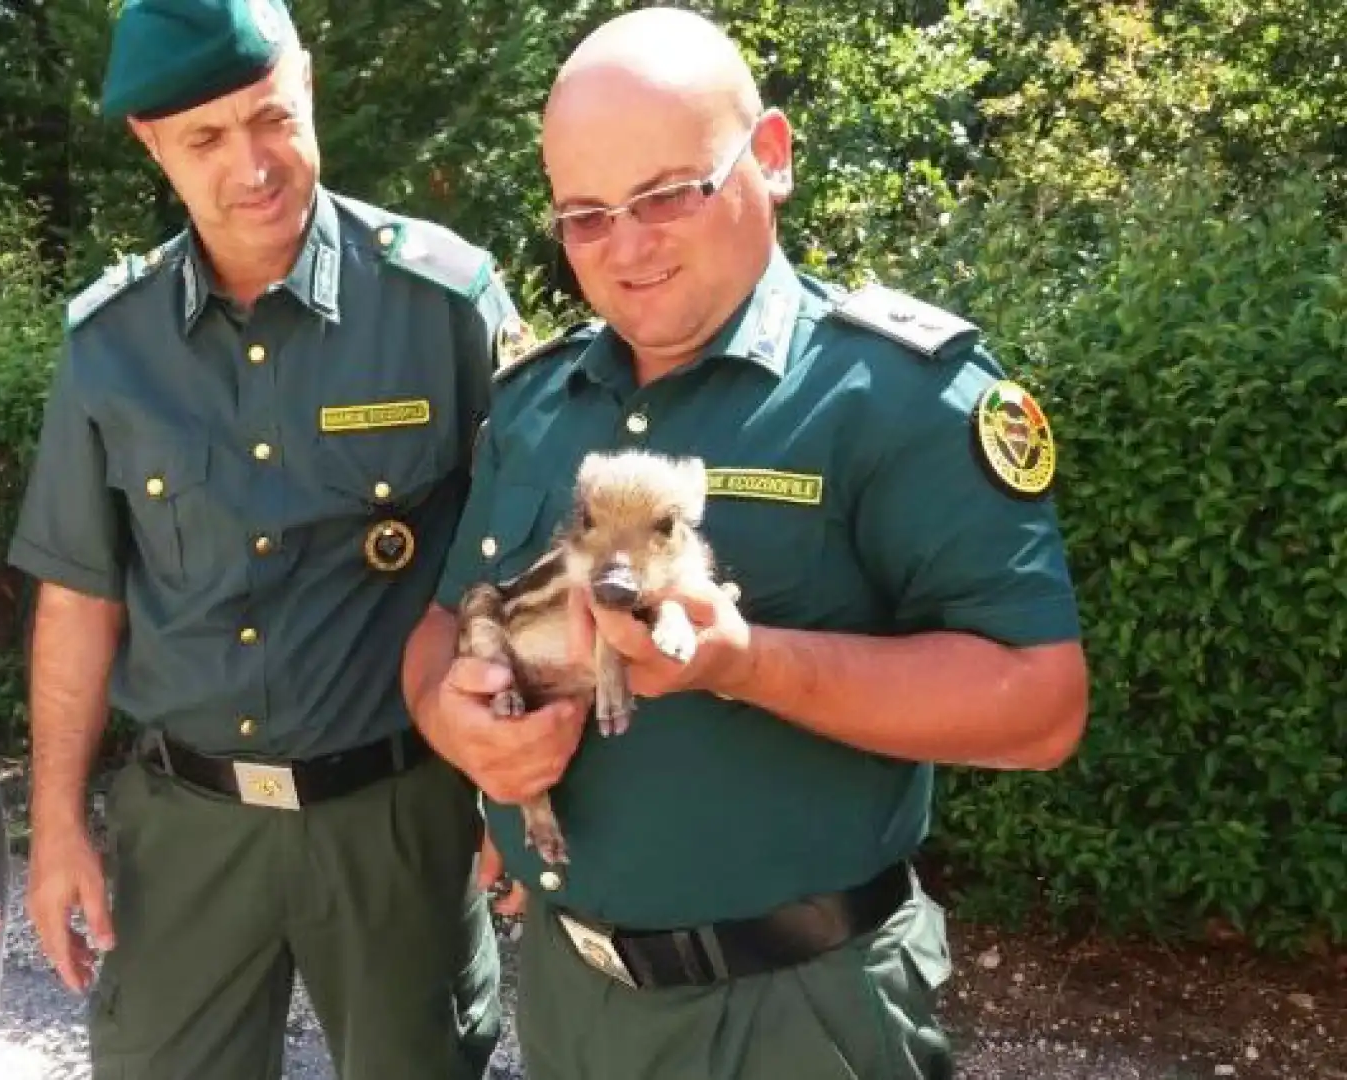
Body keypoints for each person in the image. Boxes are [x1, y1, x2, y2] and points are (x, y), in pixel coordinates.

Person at [400, 7, 1091, 1078]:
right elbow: (445, 627)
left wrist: (749, 665)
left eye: (668, 194)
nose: (627, 247)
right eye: (586, 216)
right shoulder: (537, 404)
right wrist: (457, 726)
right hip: (572, 1004)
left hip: (804, 1017)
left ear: (769, 158)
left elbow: (1041, 705)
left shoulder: (895, 394)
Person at [5, 0, 533, 1076]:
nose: (253, 165)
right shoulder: (111, 346)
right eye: (205, 138)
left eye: (272, 118)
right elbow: (78, 599)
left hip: (396, 821)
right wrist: (56, 825)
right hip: (187, 833)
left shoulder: (441, 303)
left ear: (307, 84)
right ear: (151, 145)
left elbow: (519, 561)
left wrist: (522, 791)